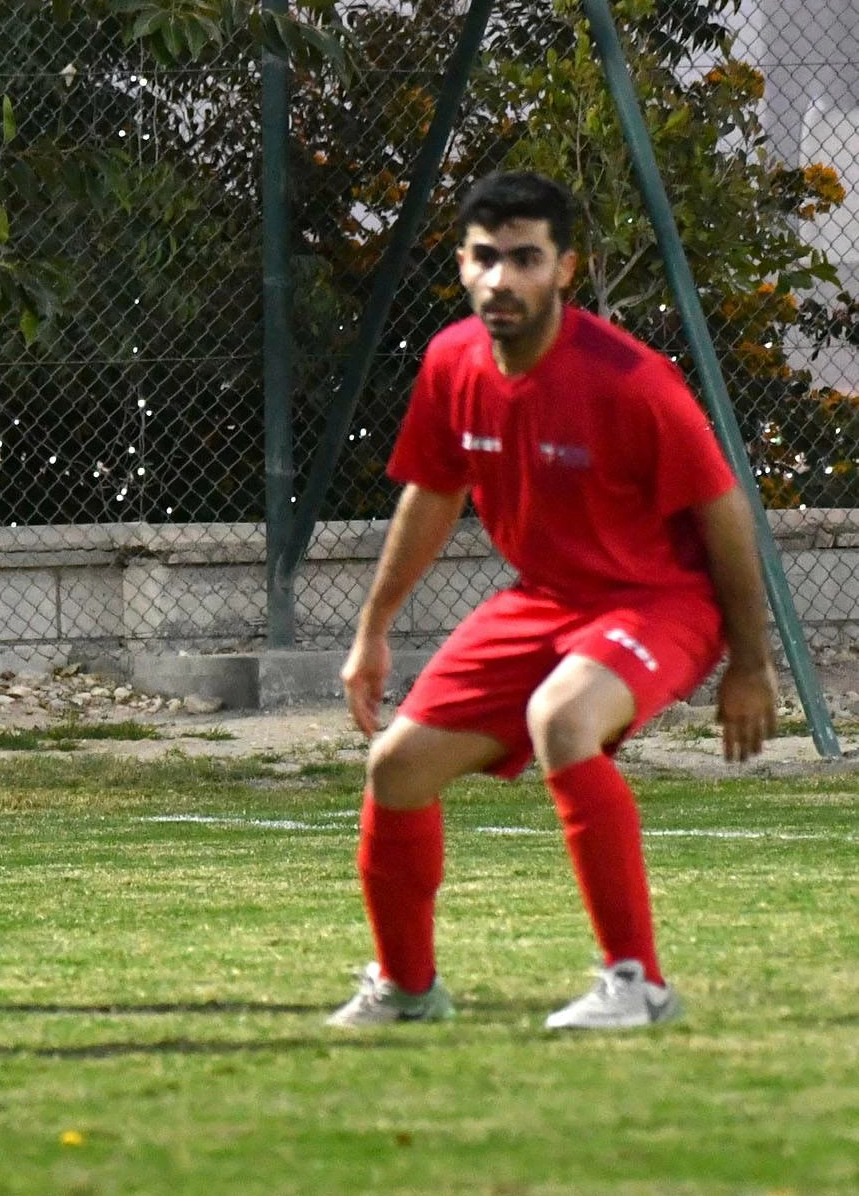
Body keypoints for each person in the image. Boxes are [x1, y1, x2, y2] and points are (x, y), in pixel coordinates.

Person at [329, 170, 778, 1033]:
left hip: (660, 601)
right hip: (545, 603)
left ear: (566, 269)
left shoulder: (630, 380)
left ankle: (636, 987)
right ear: (461, 265)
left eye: (526, 259)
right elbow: (432, 493)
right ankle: (409, 990)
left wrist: (750, 666)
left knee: (562, 720)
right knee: (396, 768)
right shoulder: (452, 361)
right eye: (487, 258)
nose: (504, 279)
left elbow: (724, 512)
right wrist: (372, 630)